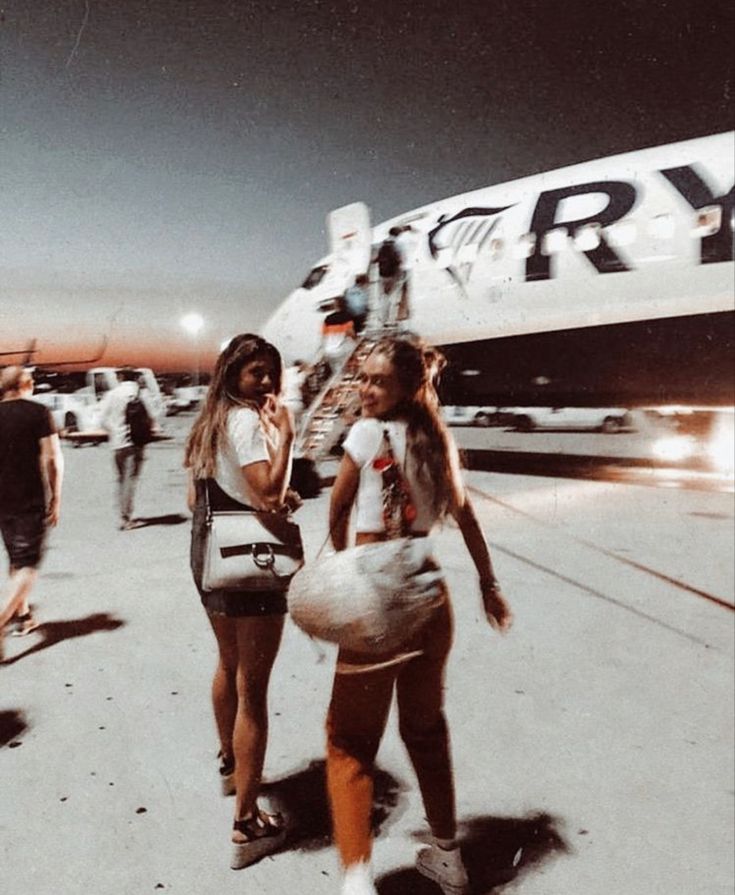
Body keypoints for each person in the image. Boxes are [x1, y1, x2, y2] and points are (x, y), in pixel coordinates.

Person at [325, 334, 512, 895]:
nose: (366, 388)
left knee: (350, 740)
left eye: (378, 381)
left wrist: (345, 570)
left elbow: (336, 510)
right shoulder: (438, 437)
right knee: (425, 729)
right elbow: (468, 517)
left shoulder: (364, 433)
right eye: (363, 376)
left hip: (379, 595)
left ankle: (357, 876)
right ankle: (449, 858)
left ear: (408, 387)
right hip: (431, 597)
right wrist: (487, 583)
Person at [184, 333, 298, 870]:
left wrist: (262, 494)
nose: (269, 383)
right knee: (255, 688)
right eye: (257, 373)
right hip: (251, 566)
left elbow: (199, 495)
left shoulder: (209, 421)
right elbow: (270, 495)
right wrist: (287, 435)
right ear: (233, 374)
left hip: (210, 556)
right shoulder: (249, 421)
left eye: (272, 372)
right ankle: (247, 824)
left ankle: (231, 767)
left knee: (228, 664)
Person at [0, 366, 64, 660]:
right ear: (24, 383)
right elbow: (52, 458)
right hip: (28, 499)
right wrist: (56, 496)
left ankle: (24, 617)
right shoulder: (38, 412)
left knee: (16, 557)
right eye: (32, 380)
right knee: (27, 566)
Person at [98, 368, 153, 530]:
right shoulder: (142, 394)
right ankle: (125, 517)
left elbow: (101, 419)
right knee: (130, 480)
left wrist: (114, 430)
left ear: (120, 377)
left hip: (117, 444)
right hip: (135, 444)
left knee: (121, 479)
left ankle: (122, 512)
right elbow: (155, 414)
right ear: (135, 378)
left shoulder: (112, 394)